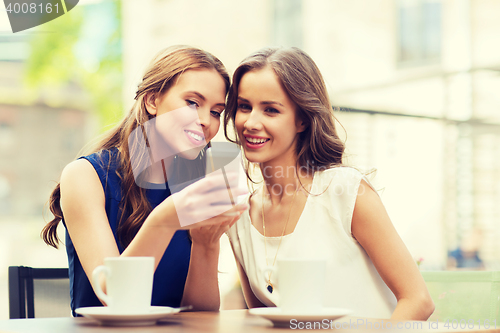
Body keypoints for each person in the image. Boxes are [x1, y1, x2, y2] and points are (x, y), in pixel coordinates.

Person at [223, 47, 435, 320]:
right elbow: (264, 318)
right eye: (244, 106)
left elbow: (418, 300)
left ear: (302, 119)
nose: (251, 122)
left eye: (271, 110)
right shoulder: (240, 216)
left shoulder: (346, 191)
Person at [42, 46, 248, 316]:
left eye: (215, 112)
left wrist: (206, 245)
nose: (205, 121)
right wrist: (165, 219)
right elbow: (113, 295)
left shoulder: (198, 186)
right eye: (192, 103)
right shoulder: (85, 176)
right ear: (152, 101)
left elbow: (201, 315)